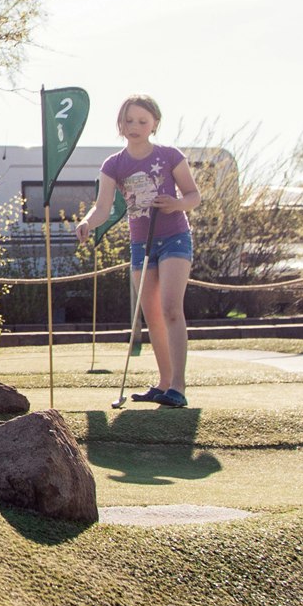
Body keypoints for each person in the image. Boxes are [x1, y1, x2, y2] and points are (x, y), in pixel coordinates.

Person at [76, 94, 201, 408]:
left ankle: (179, 386)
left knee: (171, 308)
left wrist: (177, 204)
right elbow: (102, 207)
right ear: (120, 123)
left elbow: (193, 195)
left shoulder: (170, 155)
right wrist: (88, 222)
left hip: (175, 237)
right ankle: (163, 383)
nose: (134, 127)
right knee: (153, 316)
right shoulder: (114, 164)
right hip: (140, 244)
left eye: (142, 121)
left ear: (154, 124)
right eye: (128, 120)